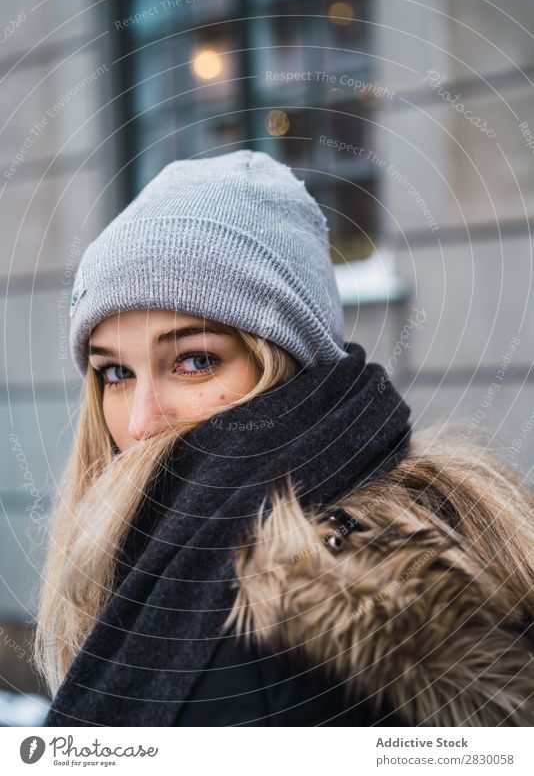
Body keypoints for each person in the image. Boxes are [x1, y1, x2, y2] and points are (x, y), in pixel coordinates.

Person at [36, 150, 534, 727]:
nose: (142, 421)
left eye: (195, 360)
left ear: (287, 367)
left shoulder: (270, 640)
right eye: (116, 373)